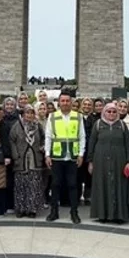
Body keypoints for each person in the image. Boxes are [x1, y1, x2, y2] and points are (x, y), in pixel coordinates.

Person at [45, 91, 85, 224]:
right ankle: (54, 211)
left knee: (73, 185)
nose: (65, 103)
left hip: (72, 157)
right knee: (55, 185)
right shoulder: (52, 116)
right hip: (57, 156)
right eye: (63, 101)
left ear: (71, 102)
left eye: (68, 101)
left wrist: (81, 154)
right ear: (59, 102)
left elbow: (82, 136)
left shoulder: (78, 117)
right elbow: (48, 136)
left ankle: (74, 212)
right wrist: (47, 154)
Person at [87, 102, 129, 223]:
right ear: (104, 112)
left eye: (114, 111)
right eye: (108, 111)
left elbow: (128, 144)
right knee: (102, 185)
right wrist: (90, 161)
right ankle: (102, 214)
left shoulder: (122, 125)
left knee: (119, 185)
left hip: (119, 160)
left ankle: (118, 215)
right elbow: (91, 143)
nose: (111, 114)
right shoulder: (98, 124)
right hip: (100, 159)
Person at [9, 105, 45, 218]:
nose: (29, 115)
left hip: (35, 160)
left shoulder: (38, 126)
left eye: (31, 113)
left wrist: (43, 147)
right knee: (21, 186)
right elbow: (12, 140)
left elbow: (44, 139)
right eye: (27, 113)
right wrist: (15, 155)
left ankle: (32, 209)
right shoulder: (17, 126)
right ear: (23, 114)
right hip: (21, 160)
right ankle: (21, 209)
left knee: (34, 185)